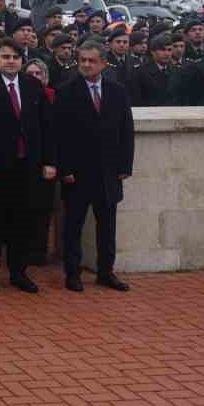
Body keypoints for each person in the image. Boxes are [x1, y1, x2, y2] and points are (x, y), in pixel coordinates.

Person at [0, 37, 56, 293]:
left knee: (23, 221)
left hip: (28, 165)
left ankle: (19, 272)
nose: (11, 61)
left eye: (16, 57)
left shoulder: (32, 86)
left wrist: (49, 161)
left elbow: (45, 126)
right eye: (5, 57)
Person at [56, 41, 135, 291]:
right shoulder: (66, 91)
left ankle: (105, 272)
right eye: (83, 61)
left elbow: (126, 131)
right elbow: (60, 135)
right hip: (77, 173)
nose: (87, 65)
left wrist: (125, 166)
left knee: (107, 226)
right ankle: (72, 273)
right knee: (73, 227)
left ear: (103, 63)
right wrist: (65, 169)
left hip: (109, 172)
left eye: (92, 61)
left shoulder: (117, 91)